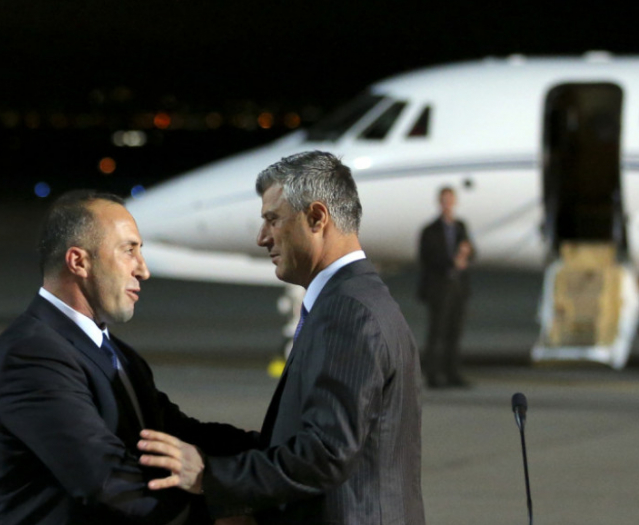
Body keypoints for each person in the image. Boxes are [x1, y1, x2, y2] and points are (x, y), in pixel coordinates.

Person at [139, 151, 426, 525]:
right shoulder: (356, 299)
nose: (262, 237)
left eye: (273, 220)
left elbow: (325, 454)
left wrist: (209, 477)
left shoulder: (348, 311)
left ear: (316, 218)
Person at [0, 190, 258, 525]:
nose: (143, 270)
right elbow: (106, 481)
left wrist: (278, 454)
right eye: (129, 251)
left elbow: (174, 435)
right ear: (79, 262)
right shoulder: (32, 356)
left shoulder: (116, 353)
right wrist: (223, 514)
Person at [417, 186, 474, 388]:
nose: (448, 204)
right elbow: (427, 257)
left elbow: (472, 251)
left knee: (454, 332)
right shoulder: (430, 230)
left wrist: (466, 256)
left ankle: (452, 373)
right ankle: (432, 375)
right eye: (444, 200)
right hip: (439, 287)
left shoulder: (460, 227)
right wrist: (452, 262)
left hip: (458, 287)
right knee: (437, 332)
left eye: (450, 200)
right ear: (440, 203)